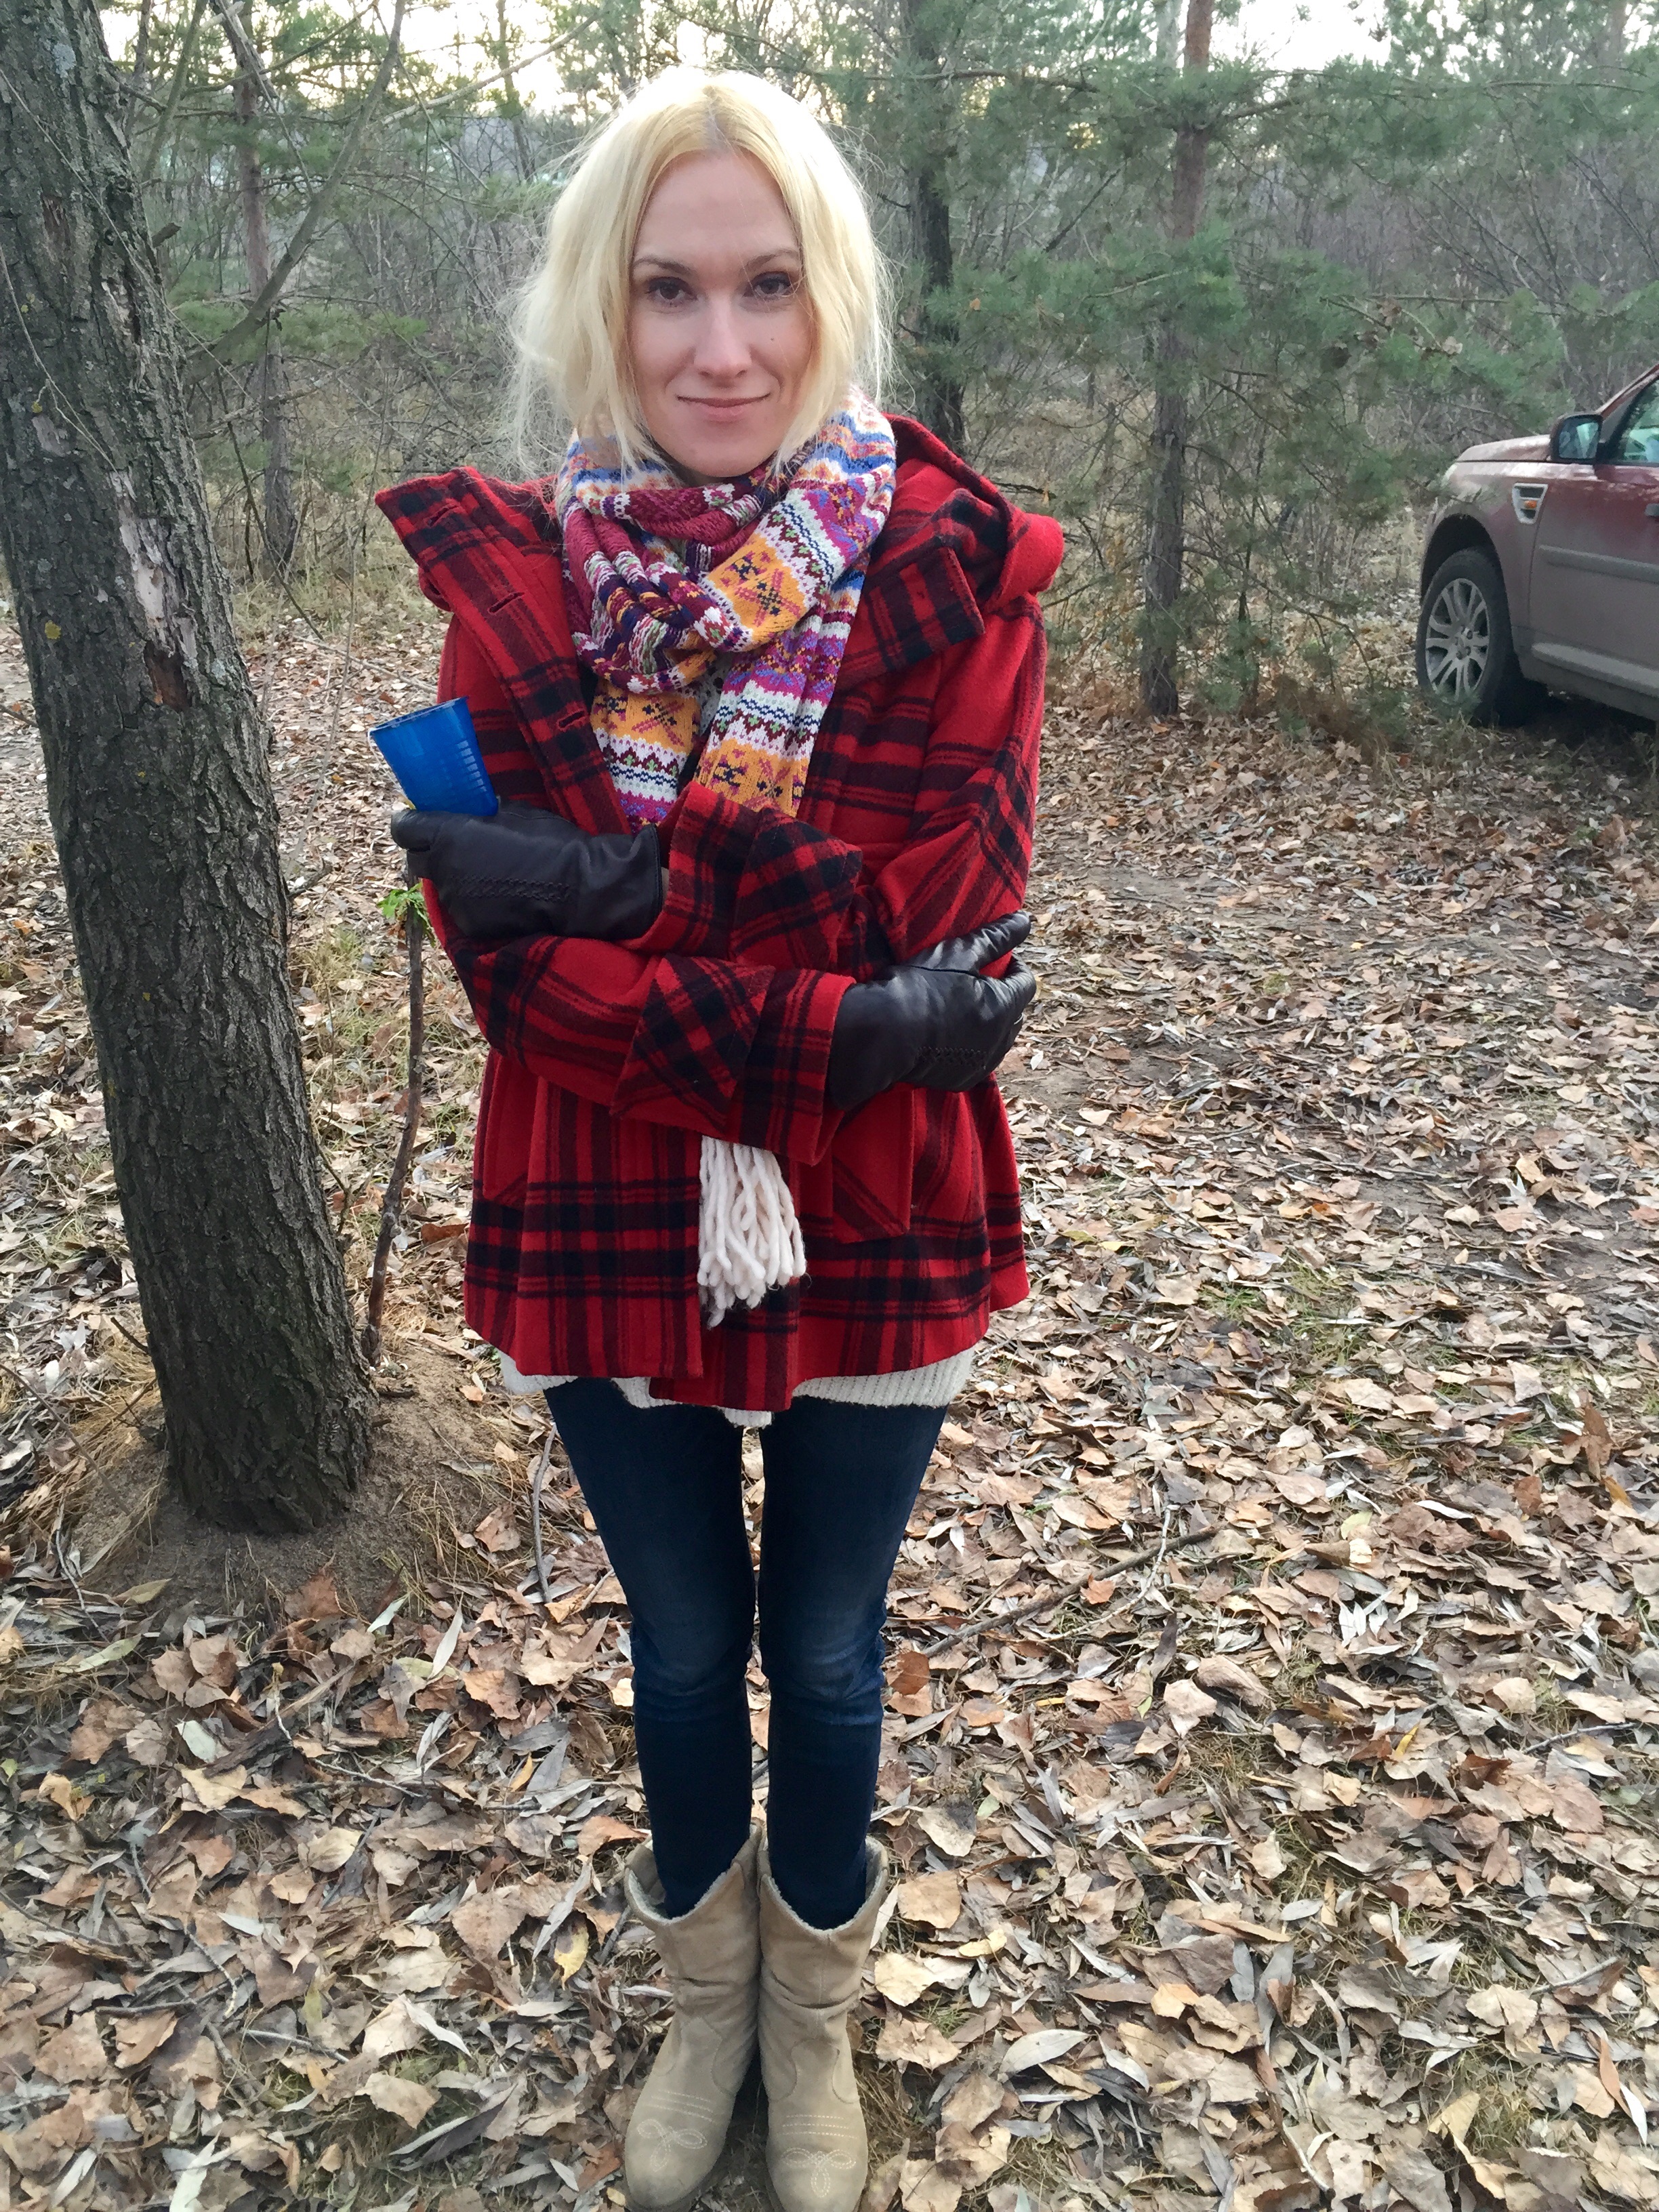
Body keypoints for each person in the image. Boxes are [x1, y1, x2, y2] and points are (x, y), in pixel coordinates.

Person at [378, 68, 1061, 2212]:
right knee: (681, 1647)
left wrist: (599, 880)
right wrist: (842, 1021)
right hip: (601, 1188)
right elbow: (525, 990)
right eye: (669, 290)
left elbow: (937, 904)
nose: (723, 347)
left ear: (832, 296)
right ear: (603, 307)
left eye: (768, 286)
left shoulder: (963, 574)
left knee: (829, 1653)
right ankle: (706, 2006)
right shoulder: (516, 589)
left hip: (877, 1194)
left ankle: (811, 2023)